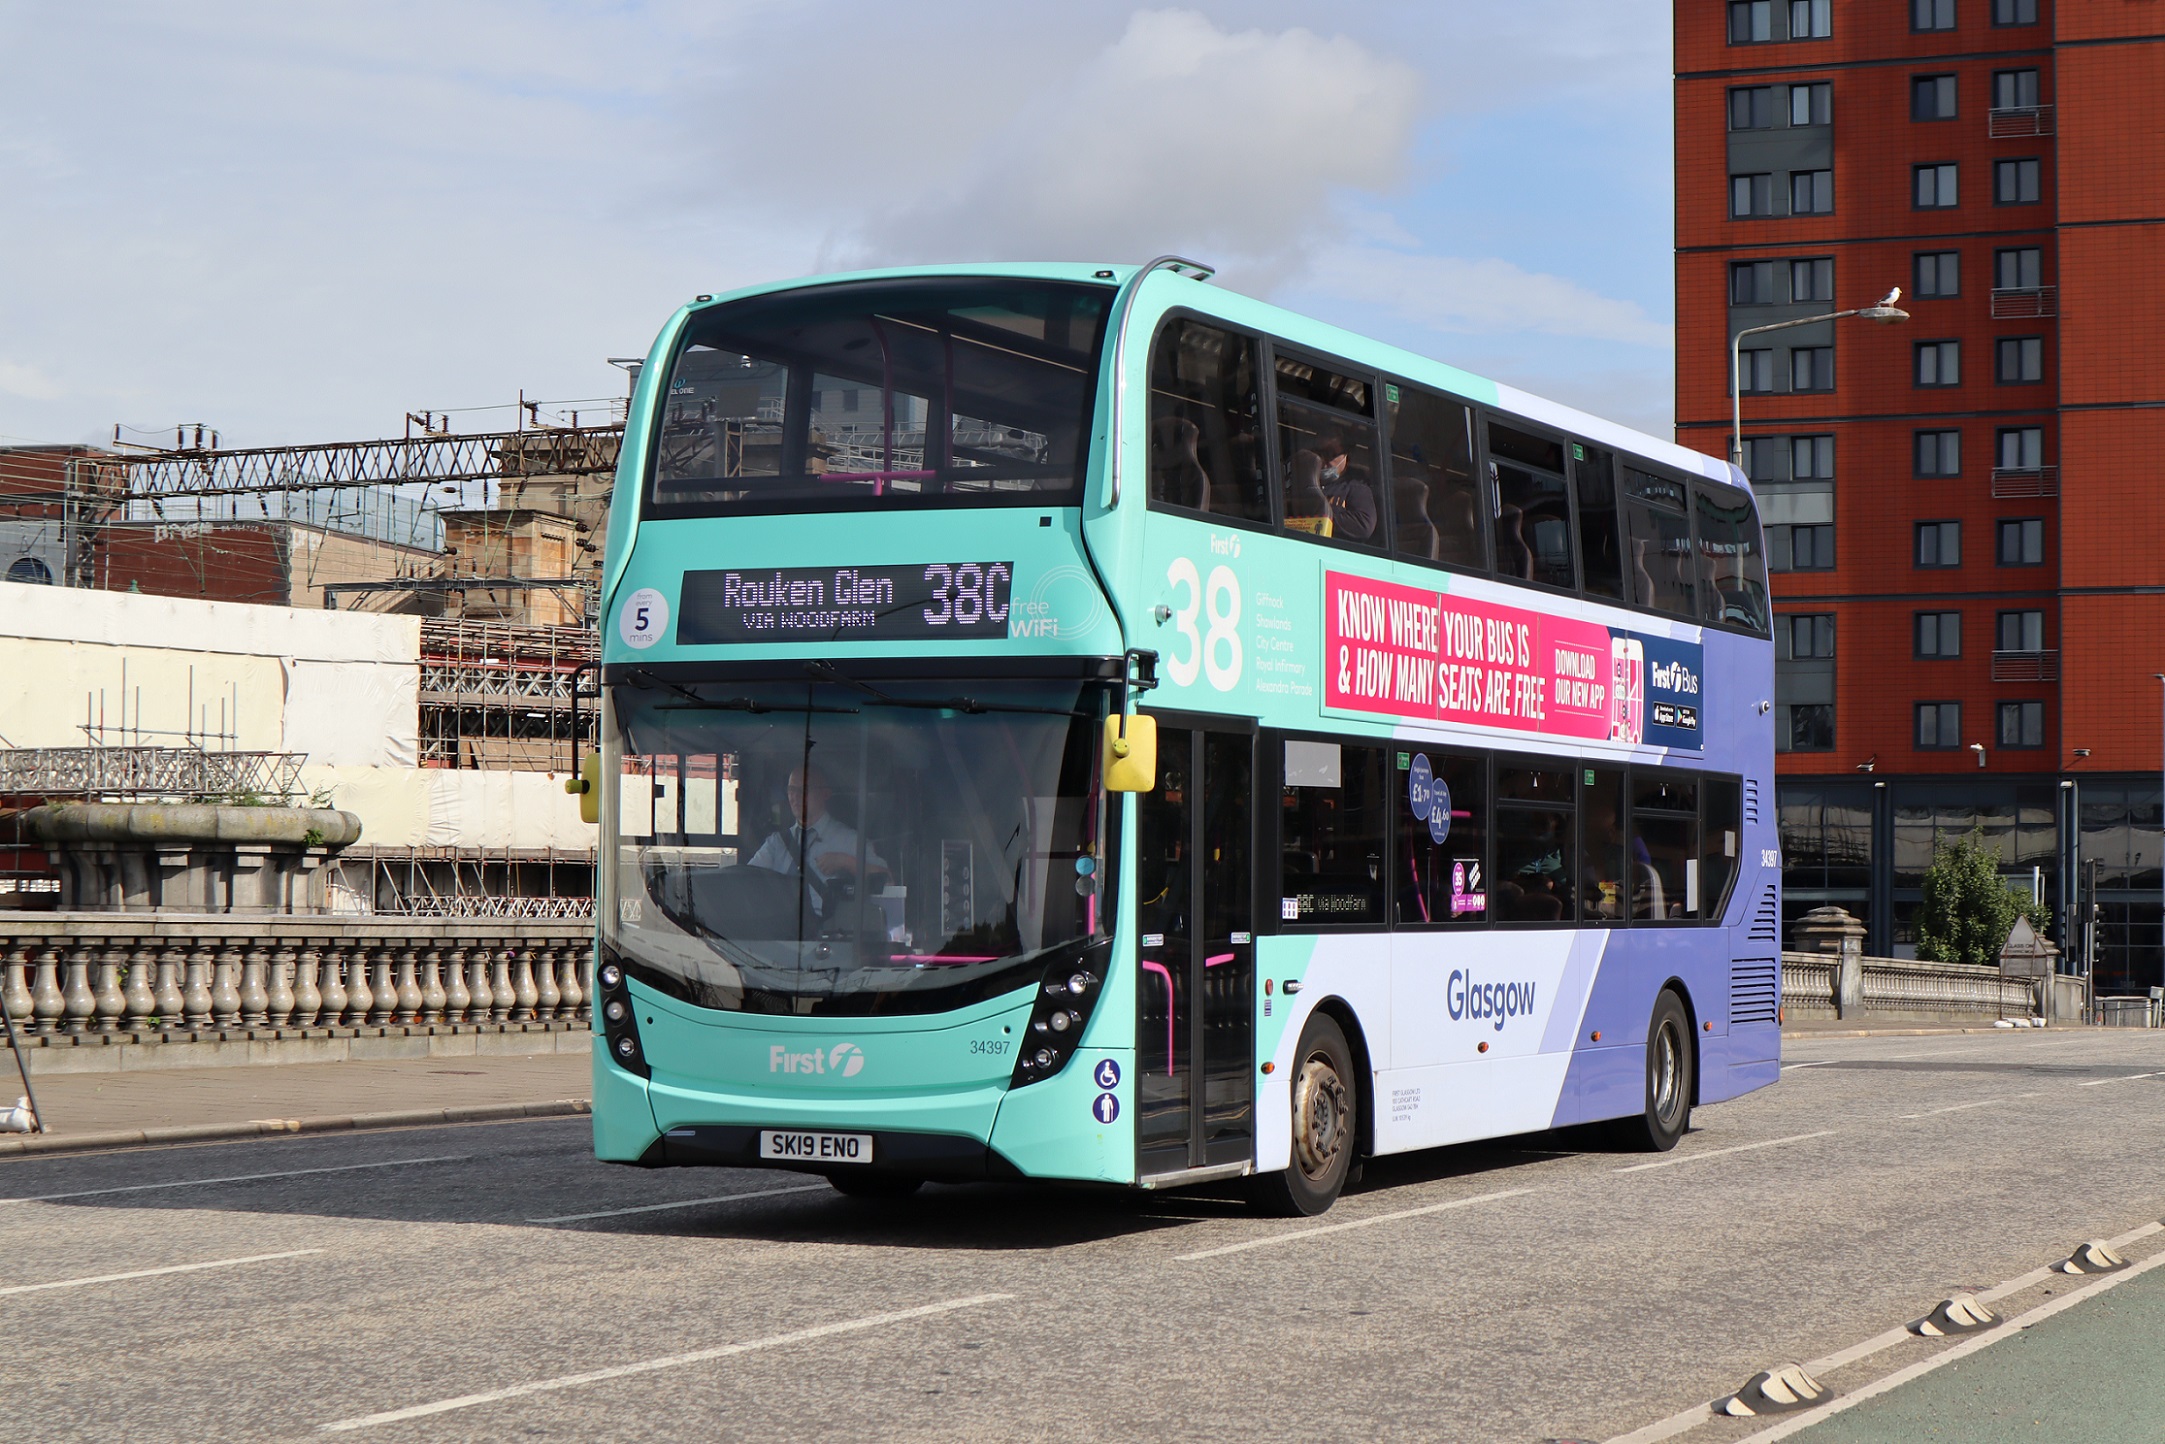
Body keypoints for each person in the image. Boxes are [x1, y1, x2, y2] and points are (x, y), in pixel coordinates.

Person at [747, 766, 884, 912]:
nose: (795, 796)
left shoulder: (851, 841)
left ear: (825, 794)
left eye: (804, 790)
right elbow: (746, 881)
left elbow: (888, 882)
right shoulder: (776, 843)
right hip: (780, 929)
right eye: (791, 789)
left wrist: (846, 861)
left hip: (830, 930)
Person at [1314, 434, 1377, 540]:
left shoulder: (1356, 487)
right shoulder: (1306, 481)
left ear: (1346, 456)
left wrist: (1322, 514)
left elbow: (1363, 525)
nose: (1325, 460)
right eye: (1321, 453)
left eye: (1331, 454)